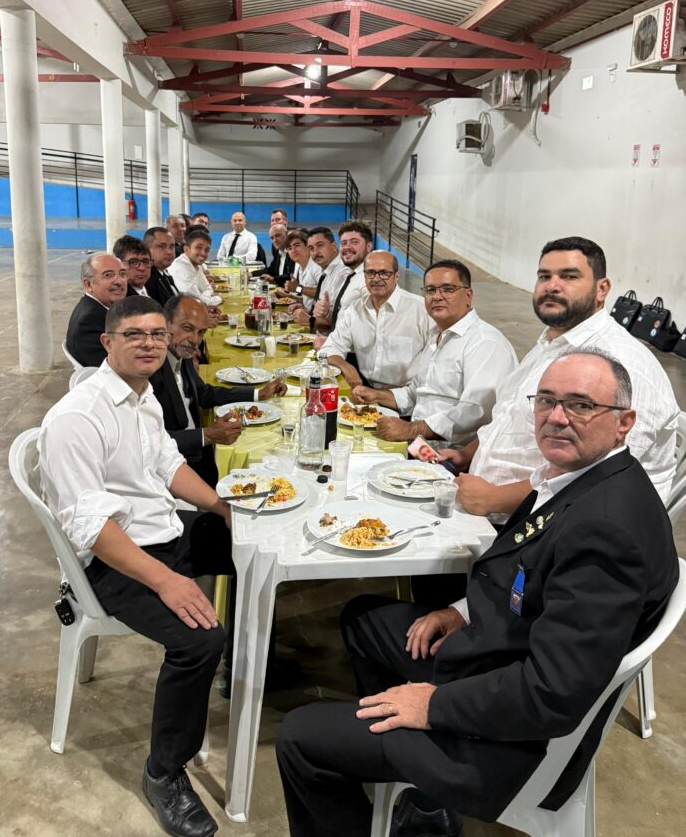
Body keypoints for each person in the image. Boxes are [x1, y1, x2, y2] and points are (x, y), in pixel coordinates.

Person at [275, 350, 680, 837]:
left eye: (581, 405)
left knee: (300, 737)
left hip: (509, 742)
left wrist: (432, 707)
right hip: (498, 655)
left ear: (624, 423)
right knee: (365, 620)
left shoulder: (606, 531)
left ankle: (418, 775)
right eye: (546, 400)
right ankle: (417, 790)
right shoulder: (584, 478)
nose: (556, 417)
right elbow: (532, 576)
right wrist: (462, 611)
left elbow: (551, 693)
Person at [40, 295, 233, 837]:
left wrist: (222, 509)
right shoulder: (77, 418)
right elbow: (93, 529)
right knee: (200, 640)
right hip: (114, 561)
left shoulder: (142, 396)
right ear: (107, 342)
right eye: (134, 335)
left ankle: (249, 663)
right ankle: (163, 773)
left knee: (255, 541)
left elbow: (168, 466)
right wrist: (167, 581)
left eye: (157, 334)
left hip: (164, 532)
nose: (149, 344)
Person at [440, 237, 679, 515]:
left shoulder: (621, 364)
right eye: (544, 276)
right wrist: (466, 454)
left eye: (569, 276)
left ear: (602, 289)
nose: (552, 286)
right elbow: (508, 415)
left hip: (551, 525)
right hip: (488, 501)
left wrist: (493, 499)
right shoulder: (552, 343)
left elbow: (598, 477)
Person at [352, 260, 517, 446]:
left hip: (455, 453)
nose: (437, 296)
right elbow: (415, 394)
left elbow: (476, 412)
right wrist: (376, 395)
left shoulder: (485, 342)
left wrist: (411, 429)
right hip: (420, 444)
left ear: (468, 295)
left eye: (448, 289)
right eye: (430, 290)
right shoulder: (435, 336)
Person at [150, 294, 287, 485]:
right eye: (187, 328)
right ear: (165, 324)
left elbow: (204, 393)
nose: (194, 340)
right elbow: (148, 442)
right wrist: (206, 435)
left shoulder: (181, 353)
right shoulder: (149, 368)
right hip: (171, 471)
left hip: (199, 455)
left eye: (201, 332)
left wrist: (258, 394)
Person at [319, 251, 429, 389]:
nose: (376, 278)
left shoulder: (420, 309)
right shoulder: (355, 310)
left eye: (384, 273)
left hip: (408, 394)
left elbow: (435, 362)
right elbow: (330, 347)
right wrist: (346, 367)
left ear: (396, 276)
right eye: (370, 273)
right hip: (366, 388)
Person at [65, 253, 128, 367]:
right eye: (108, 275)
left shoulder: (97, 308)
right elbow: (115, 368)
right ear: (88, 284)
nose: (119, 281)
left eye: (122, 274)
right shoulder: (90, 321)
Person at [313, 221, 373, 336]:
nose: (347, 247)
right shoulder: (349, 276)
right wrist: (327, 313)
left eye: (354, 242)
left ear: (368, 246)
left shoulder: (370, 279)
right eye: (344, 243)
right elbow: (342, 320)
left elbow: (370, 328)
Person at [304, 226, 349, 331]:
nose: (315, 252)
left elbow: (342, 321)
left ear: (334, 246)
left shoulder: (342, 273)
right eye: (311, 248)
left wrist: (309, 320)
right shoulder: (325, 270)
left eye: (320, 245)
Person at [169, 227, 221, 306]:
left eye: (207, 250)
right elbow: (197, 303)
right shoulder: (181, 269)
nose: (203, 253)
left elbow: (208, 288)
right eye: (198, 247)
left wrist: (203, 297)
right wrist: (218, 298)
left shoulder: (195, 264)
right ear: (187, 249)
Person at [282, 228, 322, 322]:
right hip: (309, 315)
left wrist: (297, 288)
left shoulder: (317, 266)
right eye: (290, 248)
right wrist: (299, 304)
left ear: (308, 246)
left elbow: (322, 293)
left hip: (319, 321)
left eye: (297, 245)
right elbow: (308, 297)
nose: (293, 250)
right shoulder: (300, 268)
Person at [144, 227, 180, 306]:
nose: (169, 252)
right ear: (147, 249)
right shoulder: (147, 278)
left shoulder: (163, 272)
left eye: (172, 246)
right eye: (161, 246)